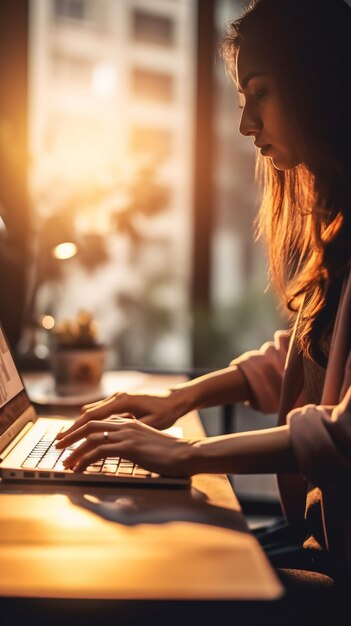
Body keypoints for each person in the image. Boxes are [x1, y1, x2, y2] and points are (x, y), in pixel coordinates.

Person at [56, 0, 351, 602]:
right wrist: (182, 397)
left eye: (261, 93)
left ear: (320, 83)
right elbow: (309, 355)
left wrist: (186, 453)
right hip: (317, 541)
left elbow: (341, 432)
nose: (247, 124)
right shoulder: (338, 222)